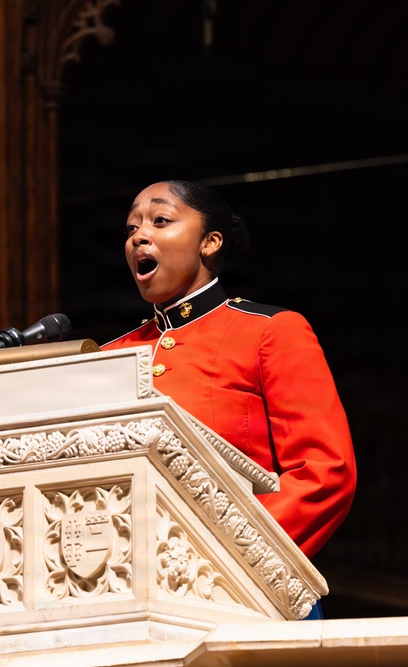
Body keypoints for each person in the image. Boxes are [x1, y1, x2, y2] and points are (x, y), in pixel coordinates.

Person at [103, 180, 356, 569]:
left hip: (233, 576)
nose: (140, 236)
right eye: (132, 228)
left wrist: (228, 553)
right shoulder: (111, 355)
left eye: (160, 220)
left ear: (210, 242)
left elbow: (324, 472)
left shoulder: (269, 330)